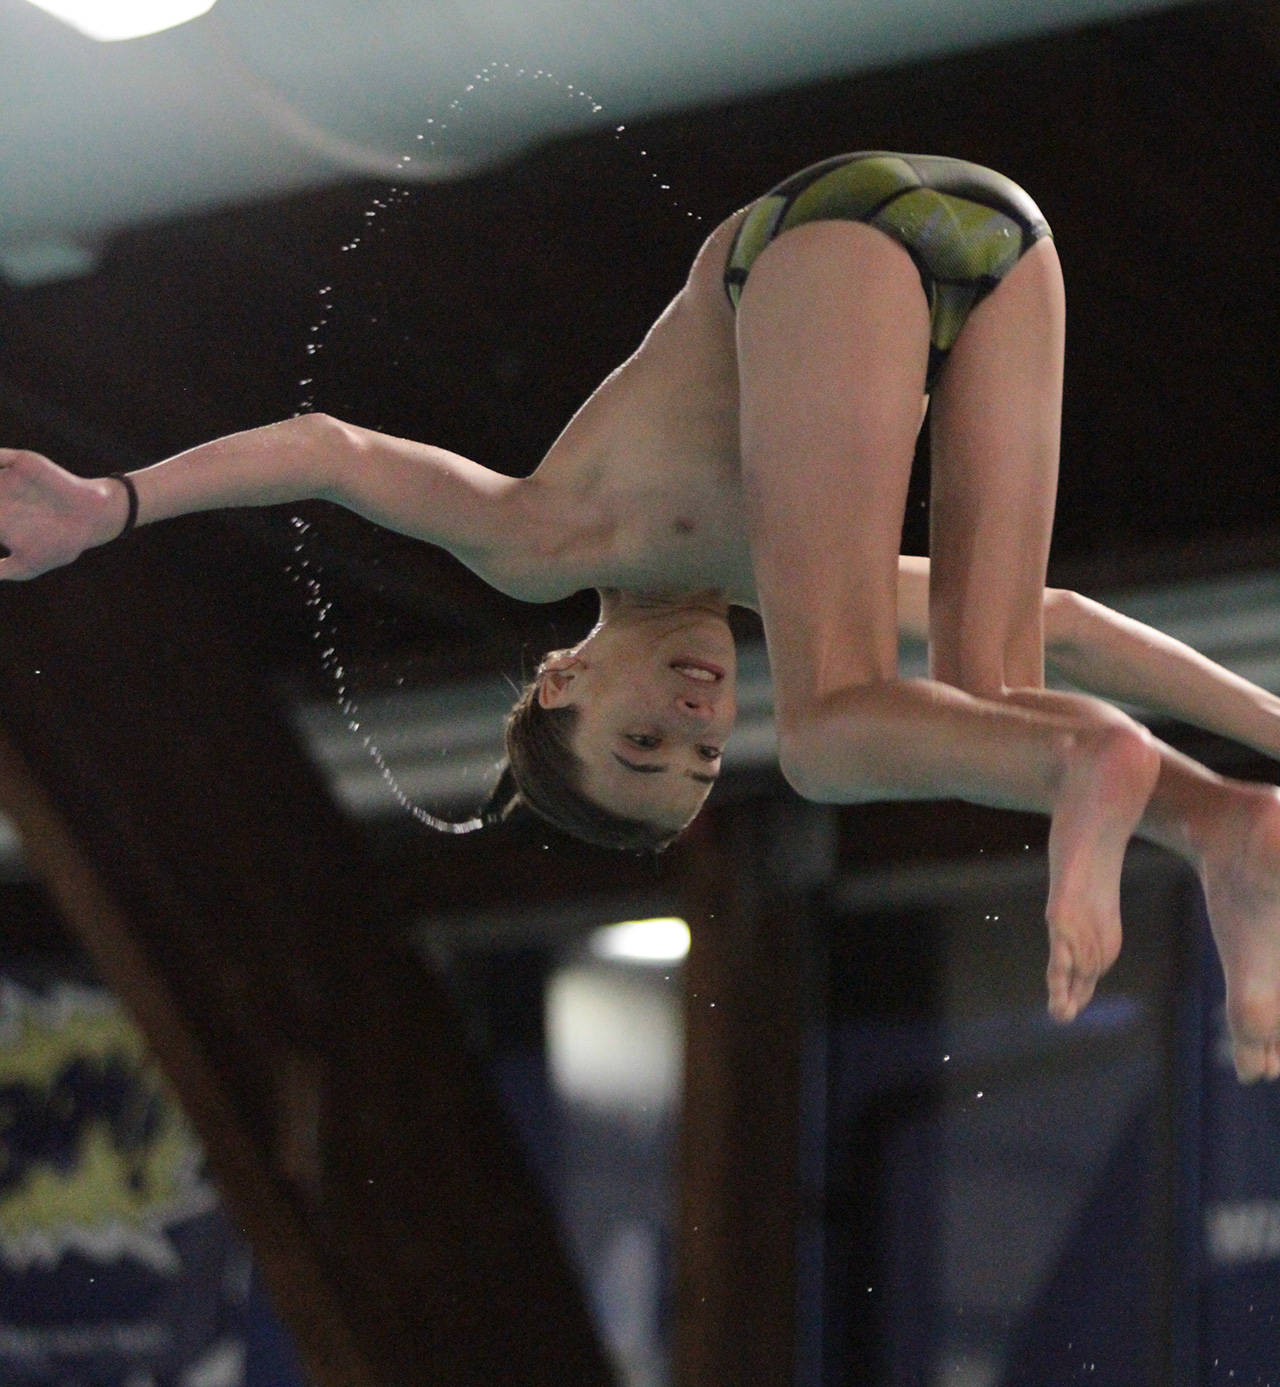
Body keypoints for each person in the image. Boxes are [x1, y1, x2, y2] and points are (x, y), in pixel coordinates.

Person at [2, 151, 1279, 1082]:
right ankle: (1223, 823)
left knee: (827, 741)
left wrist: (114, 504)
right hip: (999, 240)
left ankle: (1094, 766)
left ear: (561, 676)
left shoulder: (542, 542)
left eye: (643, 739)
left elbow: (331, 450)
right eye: (702, 753)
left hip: (824, 241)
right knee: (987, 698)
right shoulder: (776, 565)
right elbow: (1069, 621)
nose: (699, 716)